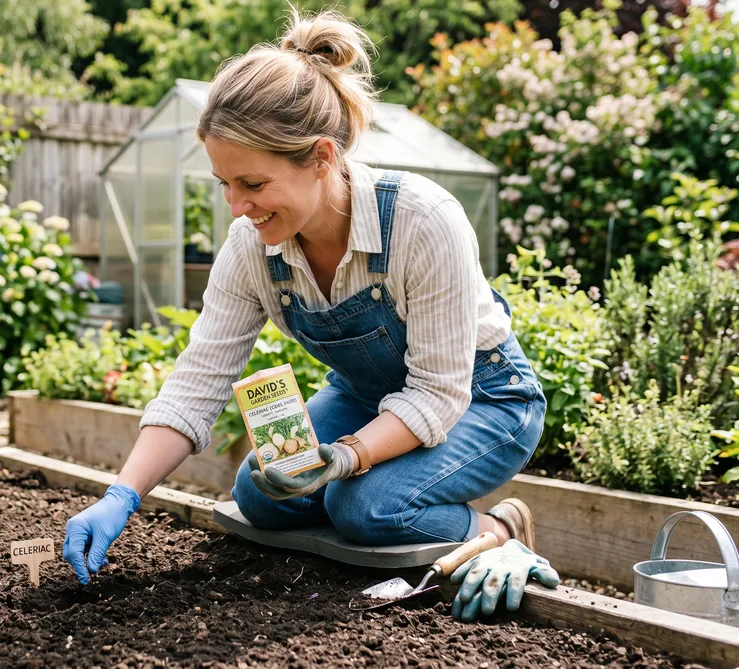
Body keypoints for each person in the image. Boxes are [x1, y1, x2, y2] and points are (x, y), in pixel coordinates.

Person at [61, 10, 559, 619]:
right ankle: (363, 505)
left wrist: (345, 459)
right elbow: (199, 380)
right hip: (368, 398)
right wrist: (121, 494)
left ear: (321, 156)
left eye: (252, 183)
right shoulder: (252, 248)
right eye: (223, 183)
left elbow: (436, 394)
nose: (236, 206)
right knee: (261, 491)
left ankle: (500, 530)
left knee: (368, 508)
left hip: (483, 400)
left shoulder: (421, 220)